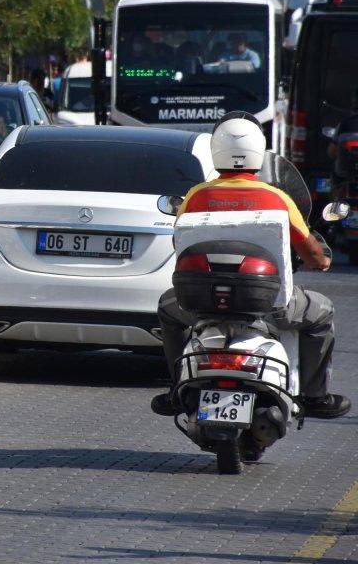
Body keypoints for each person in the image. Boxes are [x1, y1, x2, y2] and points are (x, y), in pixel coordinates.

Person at [151, 116, 350, 420]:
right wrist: (321, 258)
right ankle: (314, 396)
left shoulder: (195, 196)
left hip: (201, 305)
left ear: (216, 151)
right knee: (321, 312)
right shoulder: (277, 198)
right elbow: (314, 256)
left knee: (167, 308)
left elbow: (181, 243)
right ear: (259, 151)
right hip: (269, 306)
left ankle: (176, 388)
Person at [328, 85, 358, 203]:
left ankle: (333, 213)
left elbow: (331, 152)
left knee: (333, 180)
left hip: (343, 176)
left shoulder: (344, 125)